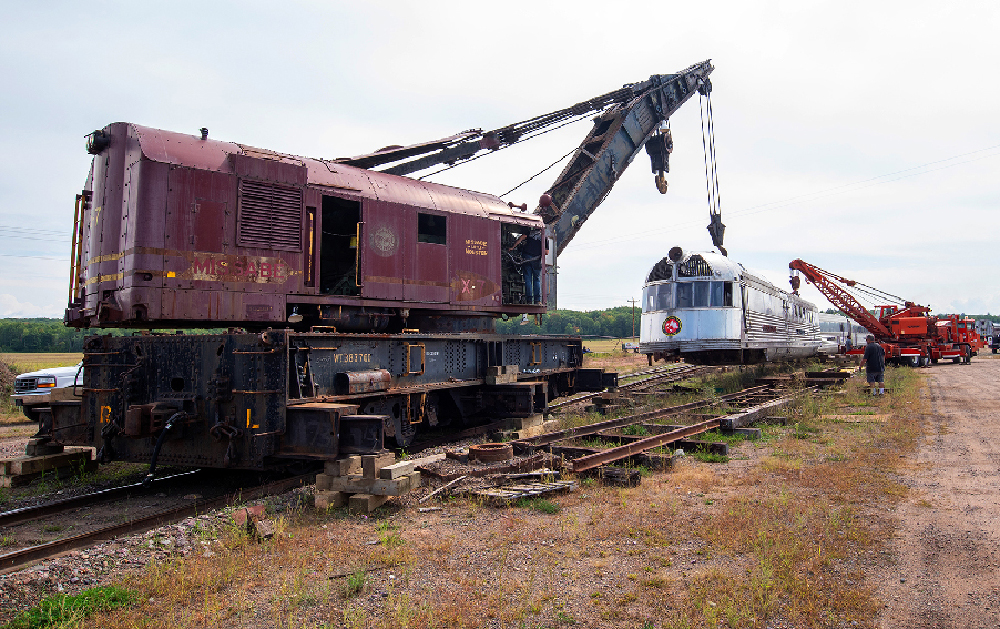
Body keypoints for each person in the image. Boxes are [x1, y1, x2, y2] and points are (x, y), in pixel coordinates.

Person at [509, 229, 546, 304]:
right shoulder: (544, 237)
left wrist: (512, 247)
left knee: (528, 279)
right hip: (536, 259)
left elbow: (521, 238)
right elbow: (546, 252)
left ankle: (529, 300)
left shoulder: (529, 233)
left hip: (526, 258)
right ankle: (537, 300)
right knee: (536, 279)